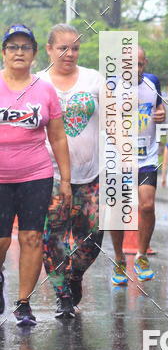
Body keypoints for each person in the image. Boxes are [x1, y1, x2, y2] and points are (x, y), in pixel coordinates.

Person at [0, 24, 71, 326]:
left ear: (33, 53)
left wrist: (65, 179)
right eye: (13, 47)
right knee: (2, 241)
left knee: (31, 237)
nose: (19, 52)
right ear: (4, 52)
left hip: (35, 175)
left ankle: (23, 303)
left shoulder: (44, 89)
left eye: (25, 47)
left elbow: (57, 137)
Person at [39, 24, 103, 318]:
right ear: (49, 49)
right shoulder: (37, 83)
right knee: (52, 237)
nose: (69, 54)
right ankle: (63, 296)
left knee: (93, 234)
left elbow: (118, 114)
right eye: (63, 48)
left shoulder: (94, 79)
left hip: (90, 172)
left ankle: (73, 275)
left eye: (75, 48)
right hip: (47, 173)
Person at [110, 47, 165, 285]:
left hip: (147, 156)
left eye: (139, 65)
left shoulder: (153, 83)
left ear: (145, 64)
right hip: (118, 157)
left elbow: (160, 107)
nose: (135, 70)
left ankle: (141, 256)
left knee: (147, 205)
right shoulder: (111, 87)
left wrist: (161, 114)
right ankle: (120, 258)